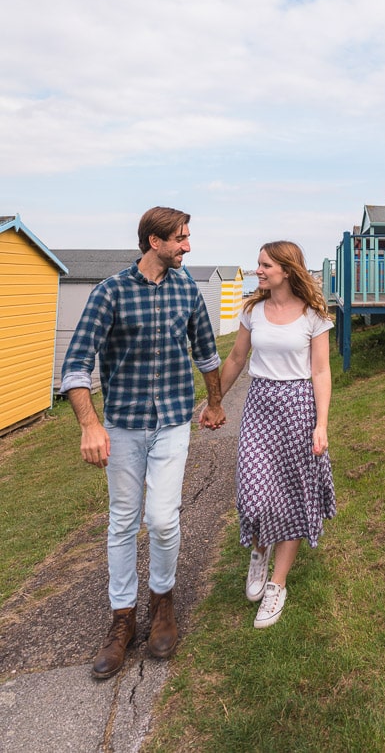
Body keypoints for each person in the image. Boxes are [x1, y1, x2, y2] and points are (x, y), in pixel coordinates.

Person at [60, 207, 226, 679]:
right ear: (154, 242)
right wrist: (90, 425)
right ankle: (122, 619)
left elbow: (207, 353)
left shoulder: (187, 289)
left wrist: (214, 403)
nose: (187, 247)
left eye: (188, 237)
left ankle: (163, 601)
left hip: (173, 423)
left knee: (161, 518)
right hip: (124, 426)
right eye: (180, 239)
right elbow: (76, 365)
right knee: (122, 521)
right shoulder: (109, 293)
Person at [211, 240, 336, 629]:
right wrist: (213, 401)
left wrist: (321, 423)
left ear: (286, 269)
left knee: (295, 495)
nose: (258, 271)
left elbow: (320, 371)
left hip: (298, 407)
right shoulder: (253, 311)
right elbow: (235, 358)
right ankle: (259, 550)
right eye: (258, 265)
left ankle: (277, 586)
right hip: (260, 406)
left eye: (265, 265)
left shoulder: (313, 316)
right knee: (254, 489)